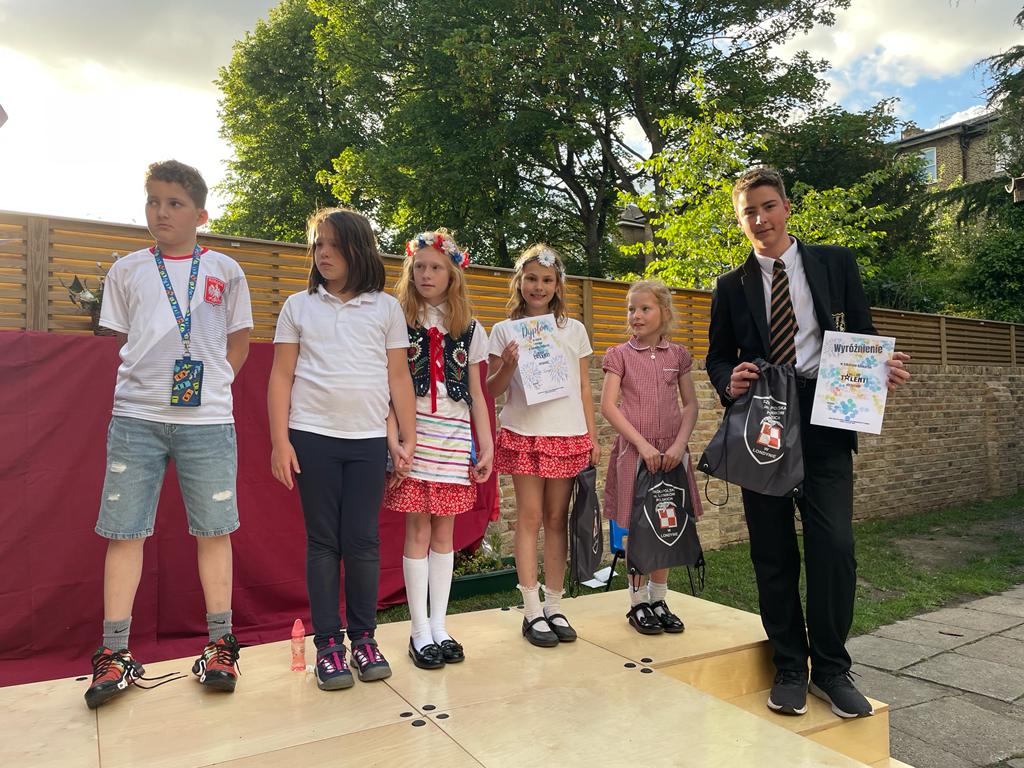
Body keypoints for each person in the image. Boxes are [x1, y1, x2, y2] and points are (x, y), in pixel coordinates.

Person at [706, 166, 911, 719]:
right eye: (748, 212)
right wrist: (728, 379)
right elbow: (717, 356)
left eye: (768, 206)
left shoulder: (835, 263)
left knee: (834, 546)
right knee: (772, 550)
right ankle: (790, 668)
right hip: (763, 423)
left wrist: (882, 366)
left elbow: (863, 335)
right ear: (740, 220)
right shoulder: (730, 285)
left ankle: (833, 669)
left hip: (826, 418)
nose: (760, 219)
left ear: (786, 208)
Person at [84, 160, 253, 709]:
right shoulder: (128, 269)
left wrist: (217, 383)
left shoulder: (226, 269)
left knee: (214, 531)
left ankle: (221, 645)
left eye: (174, 203)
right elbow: (125, 339)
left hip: (207, 422)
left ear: (200, 214)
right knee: (124, 533)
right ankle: (114, 653)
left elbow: (240, 339)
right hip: (136, 419)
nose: (161, 212)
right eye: (153, 201)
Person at [268, 208, 416, 691]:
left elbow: (398, 377)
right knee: (323, 542)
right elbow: (281, 376)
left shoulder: (386, 308)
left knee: (363, 540)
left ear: (358, 249)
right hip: (311, 437)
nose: (323, 253)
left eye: (333, 244)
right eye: (317, 245)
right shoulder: (298, 306)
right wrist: (280, 442)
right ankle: (328, 646)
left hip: (368, 440)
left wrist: (407, 437)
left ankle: (364, 640)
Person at [383, 230, 493, 670]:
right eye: (420, 267)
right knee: (418, 531)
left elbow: (478, 394)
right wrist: (393, 437)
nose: (427, 274)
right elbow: (387, 386)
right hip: (416, 436)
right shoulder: (398, 321)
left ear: (452, 275)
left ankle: (439, 625)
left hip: (453, 439)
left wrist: (486, 445)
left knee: (444, 533)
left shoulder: (470, 329)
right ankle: (418, 631)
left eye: (436, 267)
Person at [487, 244, 600, 647]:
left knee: (556, 519)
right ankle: (531, 609)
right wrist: (508, 364)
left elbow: (584, 386)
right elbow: (492, 389)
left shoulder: (574, 329)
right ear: (519, 282)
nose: (539, 286)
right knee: (530, 517)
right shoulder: (503, 331)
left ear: (558, 285)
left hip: (568, 434)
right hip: (525, 432)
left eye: (547, 280)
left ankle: (554, 604)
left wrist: (591, 435)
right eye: (531, 279)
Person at [601, 280, 701, 635]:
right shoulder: (619, 355)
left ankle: (659, 599)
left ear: (664, 313)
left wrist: (678, 445)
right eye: (632, 309)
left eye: (645, 308)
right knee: (639, 529)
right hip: (636, 454)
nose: (636, 315)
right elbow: (608, 406)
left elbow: (691, 405)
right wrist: (643, 446)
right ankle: (638, 602)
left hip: (671, 455)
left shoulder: (679, 356)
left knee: (666, 523)